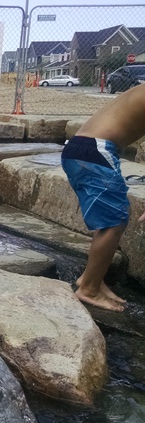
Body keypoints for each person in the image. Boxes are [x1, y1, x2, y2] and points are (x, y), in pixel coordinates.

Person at [62, 83, 145, 312]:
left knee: (113, 219)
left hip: (83, 149)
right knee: (114, 222)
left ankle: (93, 280)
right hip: (95, 151)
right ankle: (88, 289)